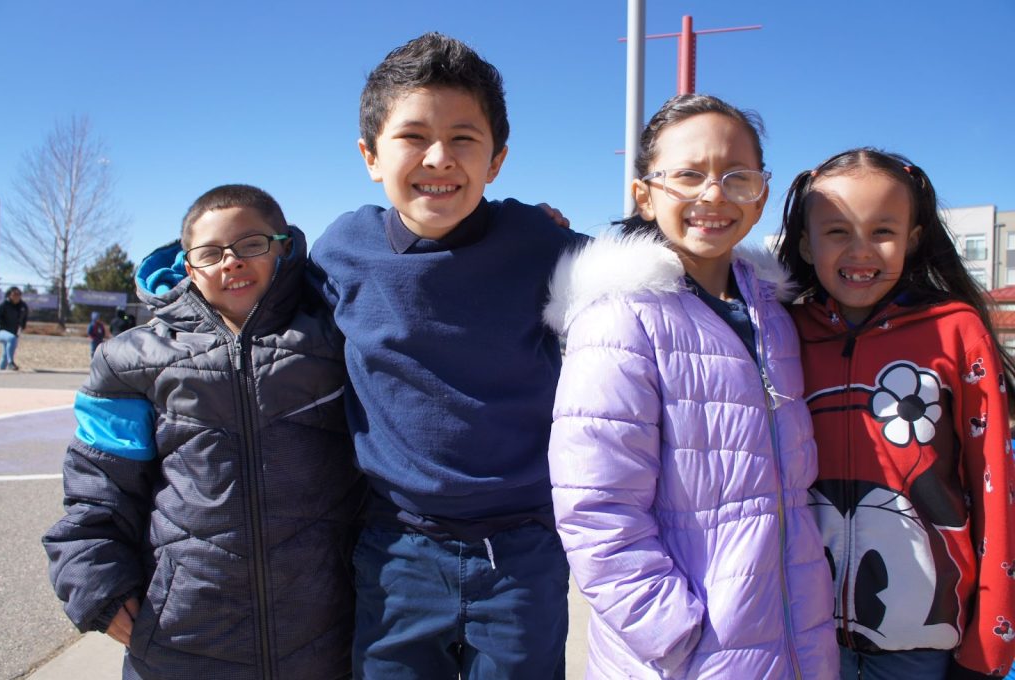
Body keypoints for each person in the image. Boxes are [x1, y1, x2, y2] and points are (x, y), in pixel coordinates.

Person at [307, 32, 584, 679]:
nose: (440, 157)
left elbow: (638, 285)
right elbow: (258, 305)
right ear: (371, 155)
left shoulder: (539, 241)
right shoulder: (341, 251)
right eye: (413, 136)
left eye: (464, 138)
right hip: (397, 546)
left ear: (498, 159)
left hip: (525, 549)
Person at [544, 93, 838, 679]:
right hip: (688, 657)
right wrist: (674, 633)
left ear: (761, 194)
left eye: (737, 176)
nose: (713, 194)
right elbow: (596, 512)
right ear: (645, 195)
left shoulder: (776, 314)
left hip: (797, 640)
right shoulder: (619, 320)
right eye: (688, 175)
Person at [43, 184, 365, 679]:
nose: (230, 262)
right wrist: (95, 581)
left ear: (284, 250)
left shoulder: (337, 339)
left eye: (251, 244)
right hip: (182, 632)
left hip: (327, 627)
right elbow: (97, 487)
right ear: (189, 267)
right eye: (211, 252)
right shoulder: (129, 361)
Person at [777, 148, 1015, 679]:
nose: (861, 251)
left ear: (911, 237)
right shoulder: (782, 332)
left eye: (882, 230)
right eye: (837, 231)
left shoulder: (955, 332)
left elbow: (996, 486)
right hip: (800, 629)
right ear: (804, 243)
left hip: (922, 639)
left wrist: (990, 641)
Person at [0, 286, 28, 370]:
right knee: (11, 338)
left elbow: (24, 318)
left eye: (19, 294)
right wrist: (5, 326)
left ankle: (1, 373)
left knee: (5, 355)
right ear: (9, 295)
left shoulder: (23, 306)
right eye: (15, 294)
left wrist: (22, 327)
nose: (17, 296)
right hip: (0, 331)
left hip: (13, 332)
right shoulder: (3, 304)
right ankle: (11, 363)